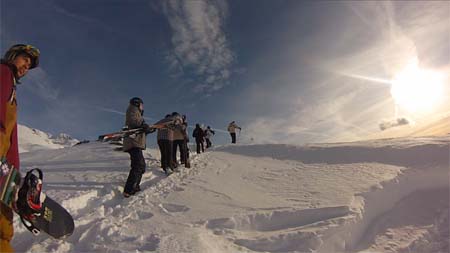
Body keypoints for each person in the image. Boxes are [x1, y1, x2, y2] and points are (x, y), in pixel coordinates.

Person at [1, 44, 40, 252]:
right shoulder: (3, 72)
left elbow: (10, 137)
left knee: (4, 224)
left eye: (30, 64)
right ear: (13, 55)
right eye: (25, 59)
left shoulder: (12, 88)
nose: (27, 66)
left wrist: (13, 173)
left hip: (4, 164)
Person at [122, 97, 153, 198]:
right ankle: (129, 189)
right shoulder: (132, 109)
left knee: (141, 165)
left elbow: (138, 128)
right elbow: (133, 121)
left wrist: (147, 130)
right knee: (138, 165)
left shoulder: (136, 113)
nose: (142, 107)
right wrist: (143, 125)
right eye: (141, 105)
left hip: (135, 141)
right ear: (137, 104)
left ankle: (135, 186)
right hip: (133, 142)